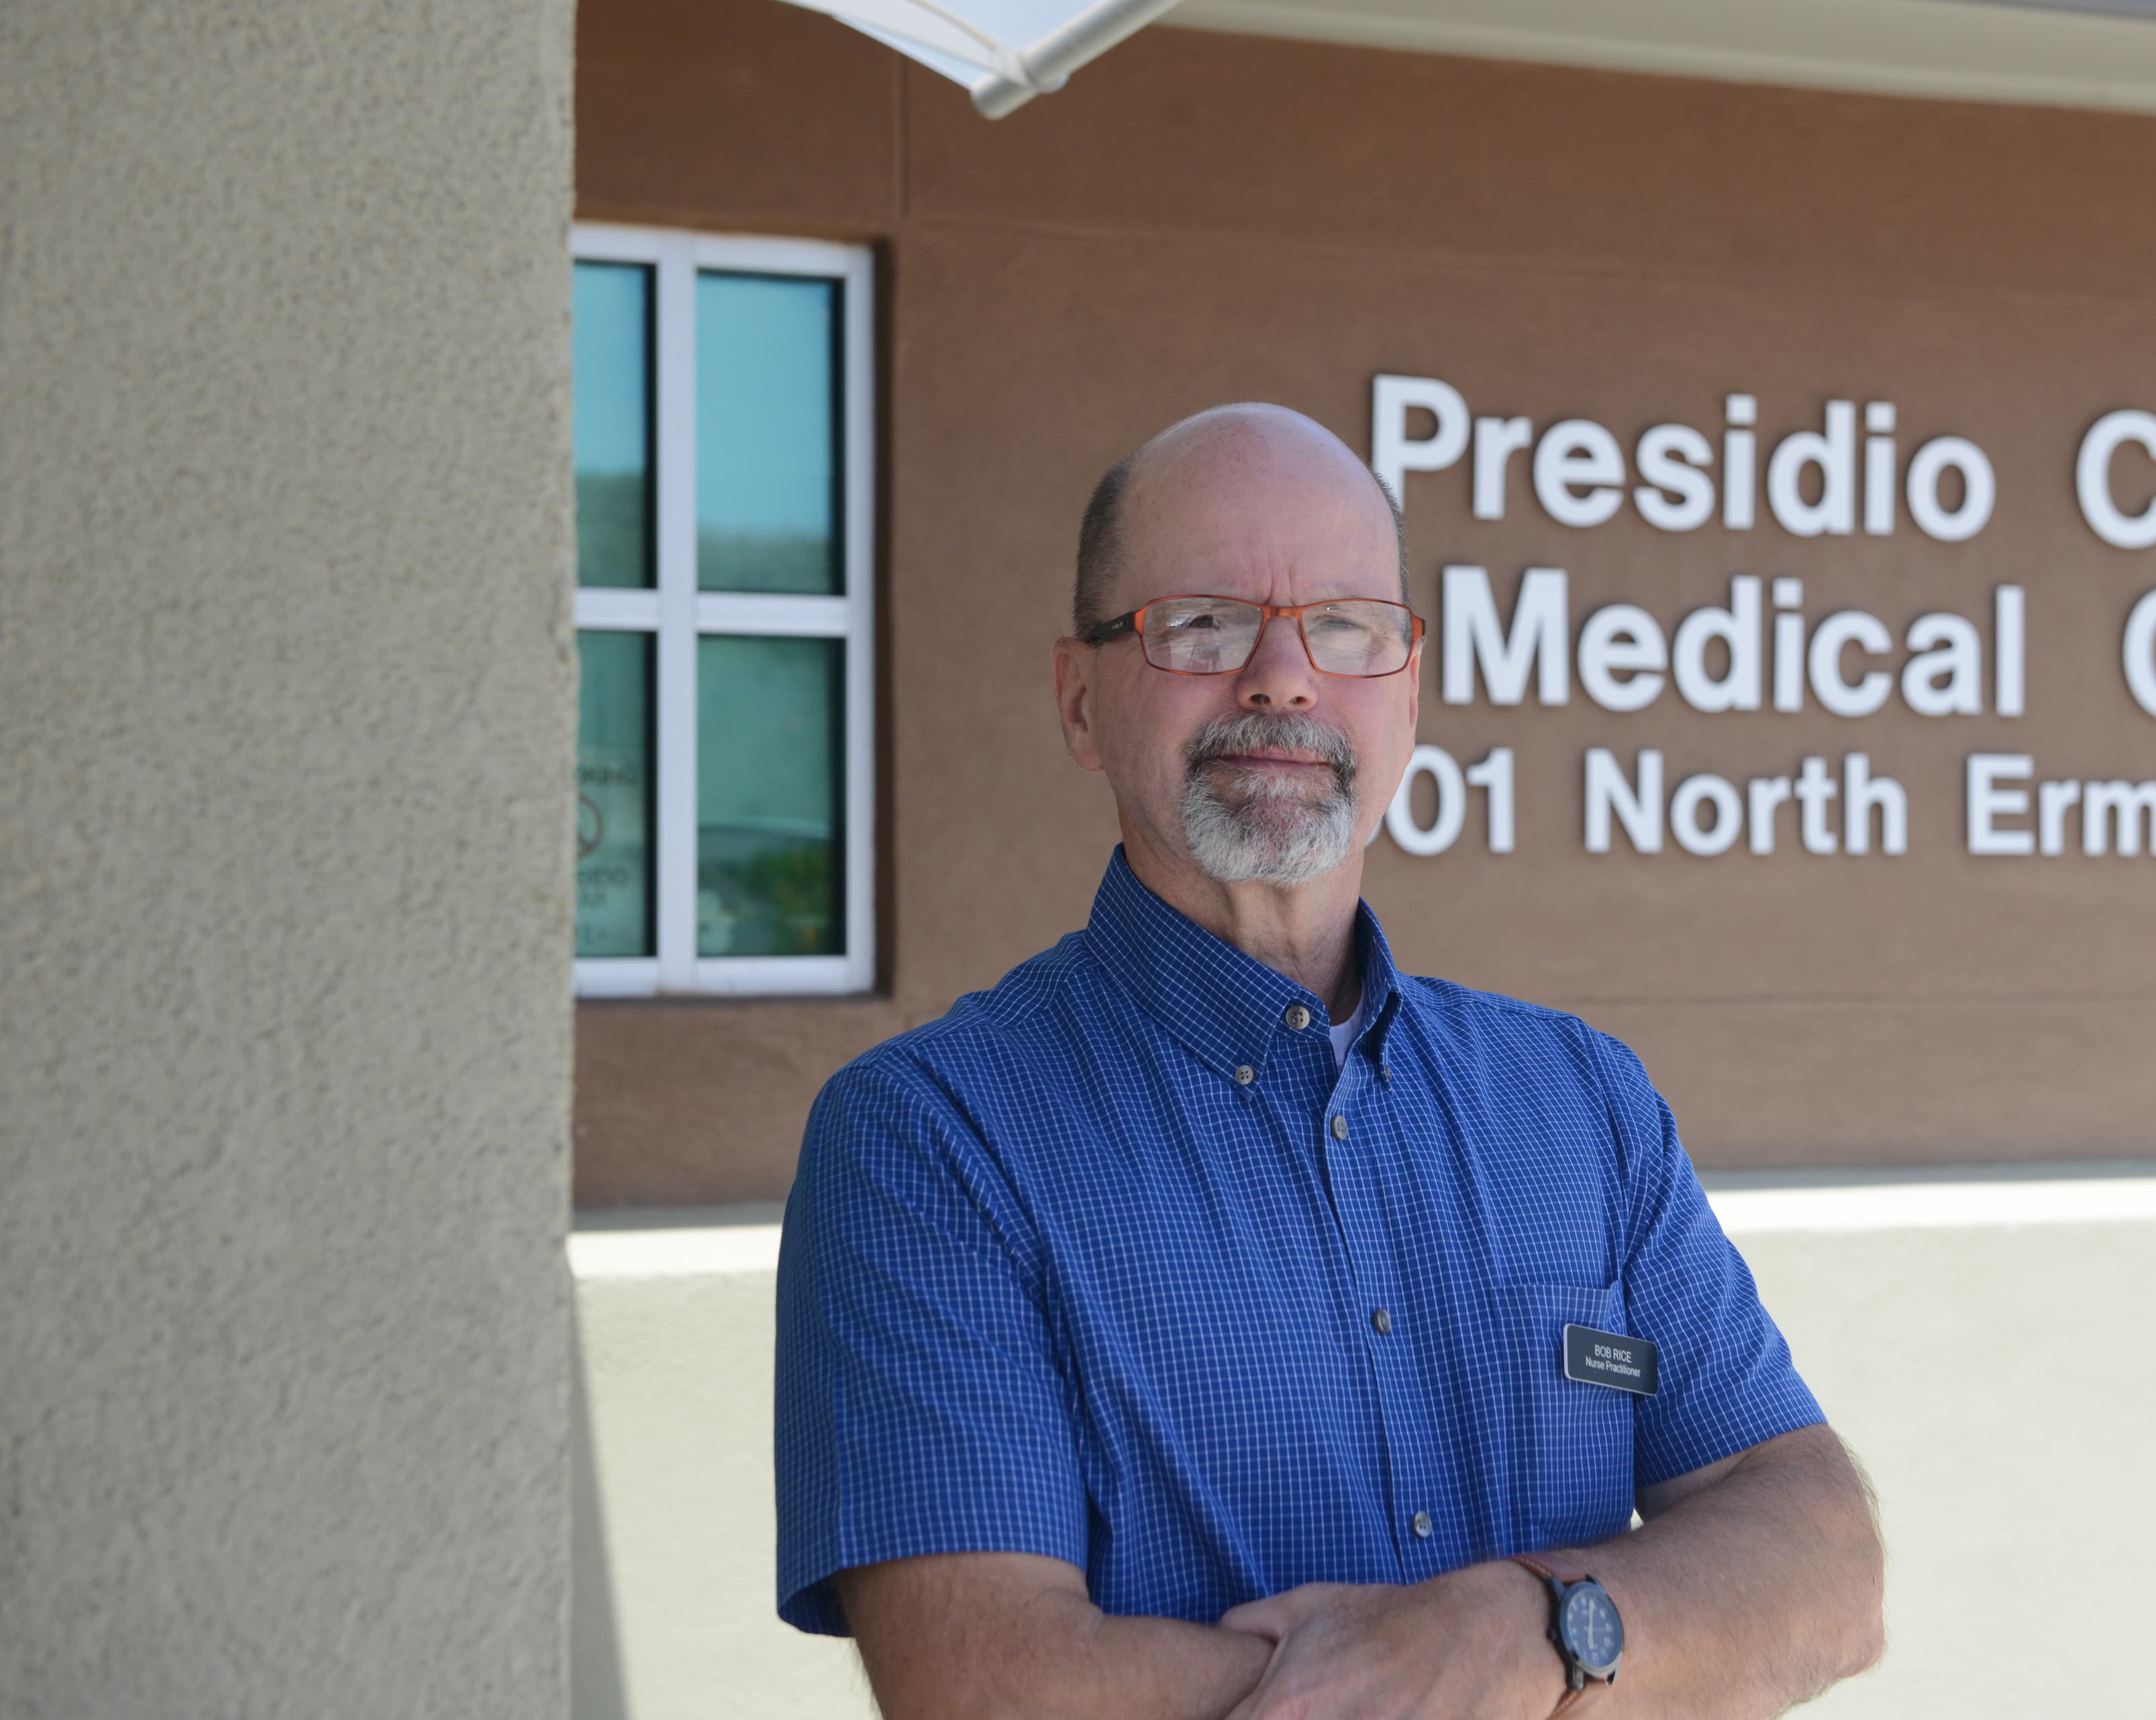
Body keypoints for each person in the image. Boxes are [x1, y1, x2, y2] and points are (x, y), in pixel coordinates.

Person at [773, 403, 1885, 1719]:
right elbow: (994, 1689)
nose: (1282, 678)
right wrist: (1577, 1650)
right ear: (1081, 700)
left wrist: (1523, 1635)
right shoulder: (933, 1140)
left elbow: (1826, 1567)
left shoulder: (1585, 1103)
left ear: (1407, 692)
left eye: (1344, 624)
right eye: (1202, 622)